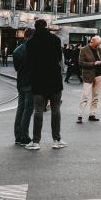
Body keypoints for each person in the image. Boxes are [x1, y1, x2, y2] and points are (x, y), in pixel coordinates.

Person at [25, 19, 66, 150]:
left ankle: (36, 141)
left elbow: (29, 62)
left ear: (35, 27)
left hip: (38, 80)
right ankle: (57, 139)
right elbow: (59, 58)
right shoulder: (55, 39)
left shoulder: (30, 42)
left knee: (38, 111)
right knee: (56, 110)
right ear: (46, 26)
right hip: (54, 79)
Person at [13, 28, 35, 146]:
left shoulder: (17, 50)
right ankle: (24, 136)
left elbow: (17, 68)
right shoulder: (33, 49)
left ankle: (17, 135)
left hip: (20, 82)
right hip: (30, 83)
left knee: (20, 109)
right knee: (28, 110)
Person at [77, 36, 101, 123]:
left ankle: (92, 114)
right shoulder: (84, 49)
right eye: (97, 44)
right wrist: (93, 63)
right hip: (88, 76)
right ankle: (80, 115)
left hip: (98, 75)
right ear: (92, 42)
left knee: (95, 96)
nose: (98, 46)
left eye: (99, 44)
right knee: (85, 96)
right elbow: (81, 63)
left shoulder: (99, 49)